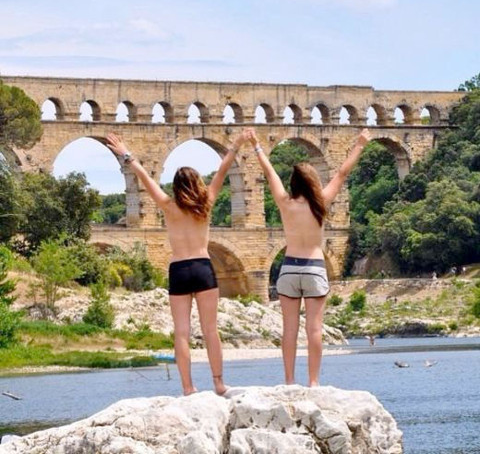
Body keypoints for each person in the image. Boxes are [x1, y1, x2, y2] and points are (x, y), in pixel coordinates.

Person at [106, 130, 249, 396]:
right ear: (197, 184)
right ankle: (219, 383)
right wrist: (237, 143)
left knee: (182, 332)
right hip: (203, 268)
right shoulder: (206, 203)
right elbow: (223, 169)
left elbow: (144, 177)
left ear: (176, 187)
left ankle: (188, 388)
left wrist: (126, 154)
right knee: (210, 330)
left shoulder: (168, 206)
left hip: (179, 269)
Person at [248, 127, 372, 386]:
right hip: (314, 267)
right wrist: (360, 144)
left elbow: (270, 173)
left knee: (289, 329)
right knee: (314, 328)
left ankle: (289, 381)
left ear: (293, 183)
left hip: (289, 268)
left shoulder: (285, 203)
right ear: (313, 182)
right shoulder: (321, 201)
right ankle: (313, 382)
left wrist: (257, 146)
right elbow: (342, 173)